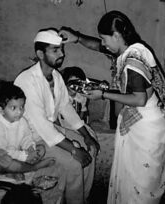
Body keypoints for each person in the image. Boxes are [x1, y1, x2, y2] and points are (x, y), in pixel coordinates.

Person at [60, 10, 165, 204]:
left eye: (105, 39)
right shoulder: (128, 49)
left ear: (117, 36)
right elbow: (96, 46)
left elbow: (139, 99)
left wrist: (102, 94)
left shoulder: (132, 61)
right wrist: (76, 38)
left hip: (147, 126)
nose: (103, 43)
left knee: (141, 186)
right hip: (143, 120)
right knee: (132, 180)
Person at [14, 28, 100, 204]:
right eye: (55, 50)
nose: (62, 54)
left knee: (92, 147)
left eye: (61, 49)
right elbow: (42, 126)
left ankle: (82, 198)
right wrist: (74, 150)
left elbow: (66, 108)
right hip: (33, 137)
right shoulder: (27, 81)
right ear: (40, 53)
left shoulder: (56, 76)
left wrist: (86, 136)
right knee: (75, 162)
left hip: (51, 131)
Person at [0, 82, 45, 180]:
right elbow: (2, 151)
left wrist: (30, 148)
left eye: (22, 107)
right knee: (4, 161)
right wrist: (24, 156)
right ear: (1, 110)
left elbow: (26, 137)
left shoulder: (21, 120)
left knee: (41, 149)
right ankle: (31, 168)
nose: (19, 112)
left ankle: (16, 170)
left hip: (16, 152)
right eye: (13, 108)